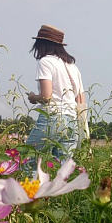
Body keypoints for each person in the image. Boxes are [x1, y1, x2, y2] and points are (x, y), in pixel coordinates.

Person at [25, 24, 86, 164]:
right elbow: (80, 98)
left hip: (52, 118)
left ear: (41, 43)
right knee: (63, 170)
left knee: (28, 161)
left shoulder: (45, 62)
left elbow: (46, 96)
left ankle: (28, 186)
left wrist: (33, 97)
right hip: (72, 123)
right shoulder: (72, 66)